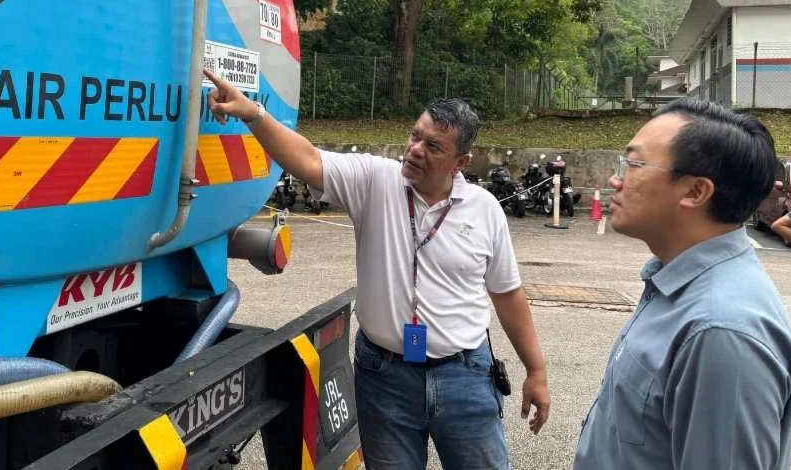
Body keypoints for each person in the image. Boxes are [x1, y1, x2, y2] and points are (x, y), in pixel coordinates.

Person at [203, 69, 550, 469]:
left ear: (460, 162)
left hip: (464, 377)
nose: (415, 150)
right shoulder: (375, 181)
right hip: (385, 379)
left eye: (433, 146)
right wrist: (253, 114)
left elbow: (507, 295)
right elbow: (309, 160)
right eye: (414, 136)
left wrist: (536, 371)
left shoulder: (484, 209)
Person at [573, 98, 791, 469]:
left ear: (695, 192)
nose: (616, 179)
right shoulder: (675, 284)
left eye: (634, 165)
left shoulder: (720, 331)